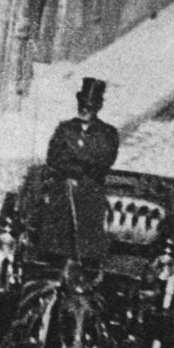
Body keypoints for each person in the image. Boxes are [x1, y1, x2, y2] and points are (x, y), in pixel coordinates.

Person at [40, 77, 119, 265]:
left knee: (88, 233)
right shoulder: (65, 129)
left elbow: (105, 160)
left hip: (90, 190)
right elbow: (53, 157)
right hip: (63, 187)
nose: (84, 110)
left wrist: (77, 169)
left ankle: (86, 264)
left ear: (98, 107)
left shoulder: (107, 133)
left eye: (90, 106)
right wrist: (72, 170)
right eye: (82, 104)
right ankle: (53, 261)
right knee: (57, 221)